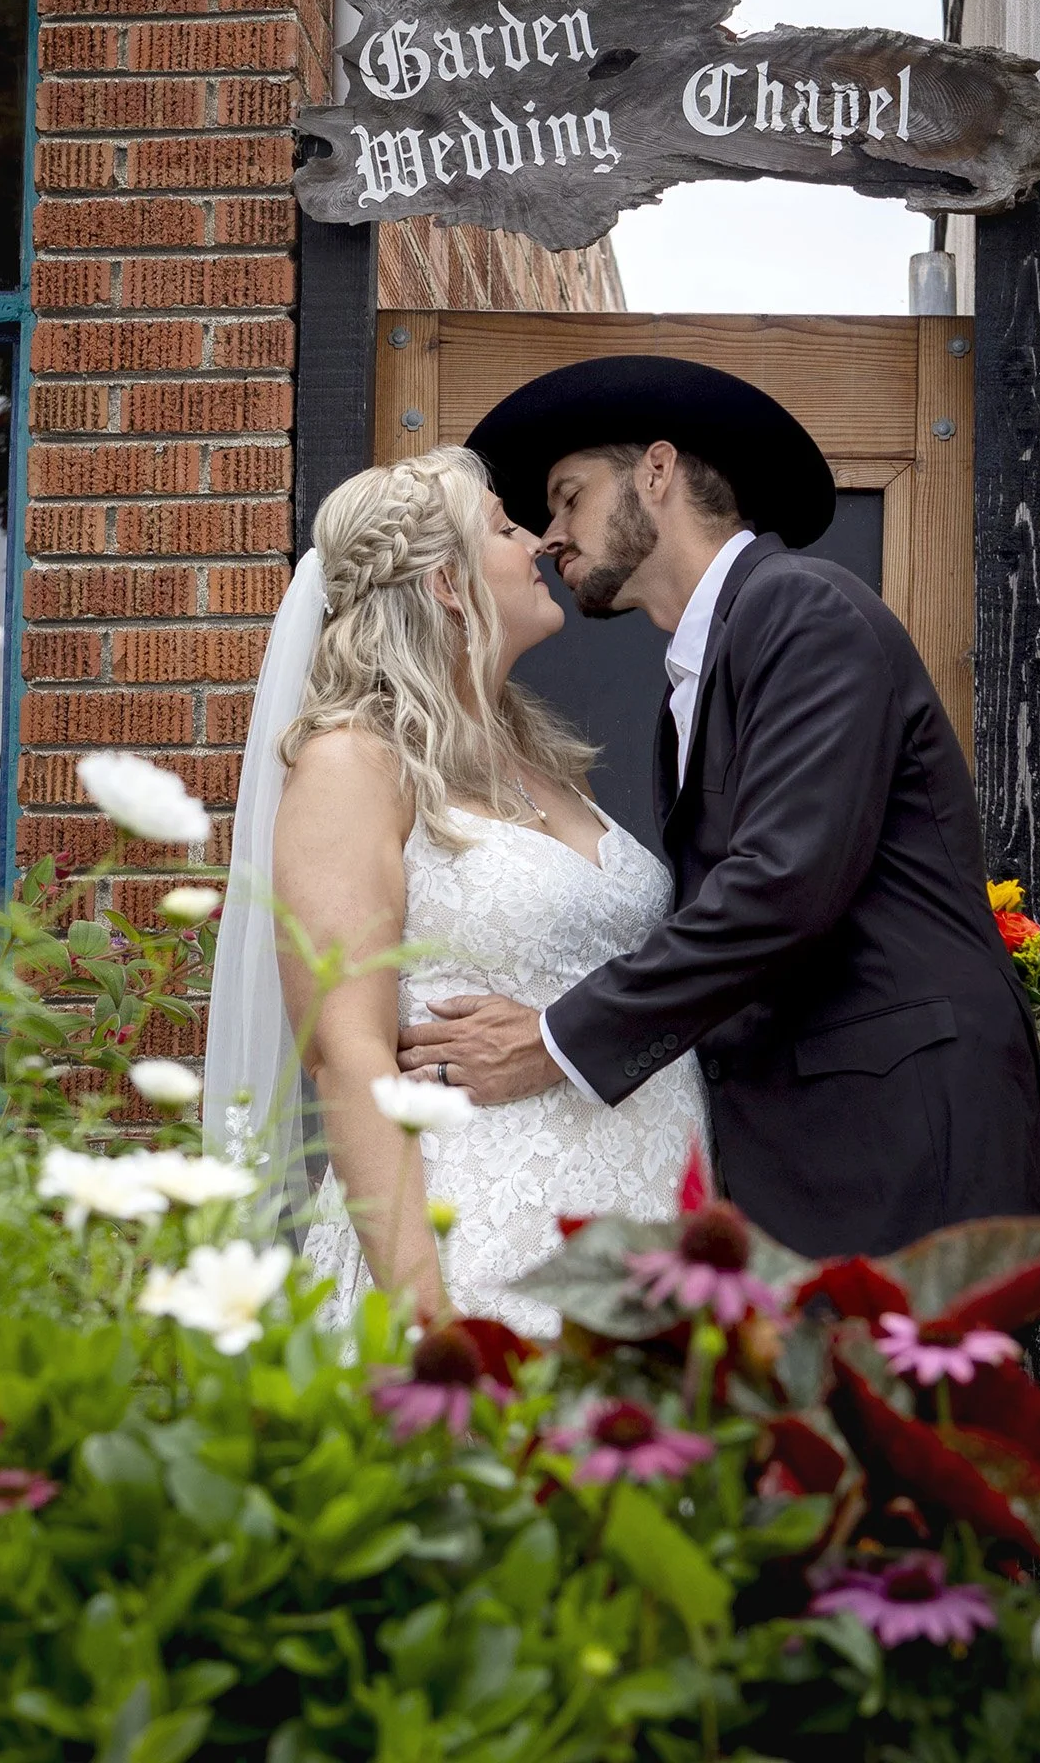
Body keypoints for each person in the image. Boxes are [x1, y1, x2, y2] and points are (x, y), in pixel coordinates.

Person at [397, 356, 1040, 1258]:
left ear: (656, 469)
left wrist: (552, 1040)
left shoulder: (802, 610)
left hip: (903, 1143)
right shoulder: (706, 666)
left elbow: (782, 885)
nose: (550, 537)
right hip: (822, 1154)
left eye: (568, 498)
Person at [203, 446, 705, 1336]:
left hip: (644, 1228)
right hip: (481, 1240)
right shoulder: (351, 763)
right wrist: (426, 1319)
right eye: (508, 528)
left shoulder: (540, 764)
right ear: (445, 581)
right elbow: (342, 1052)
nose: (542, 544)